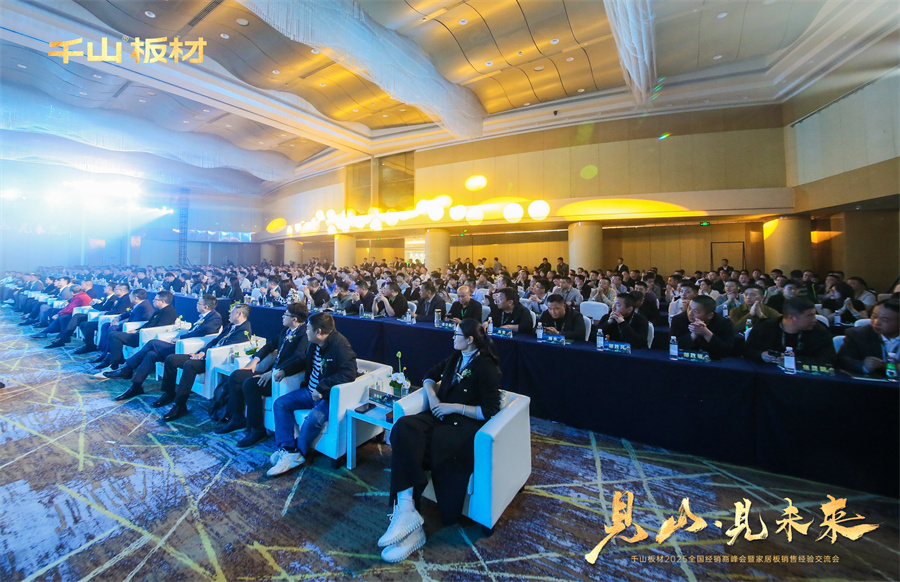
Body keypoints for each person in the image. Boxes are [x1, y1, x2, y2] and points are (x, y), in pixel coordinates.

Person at [378, 319, 501, 563]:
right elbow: (429, 376)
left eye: (457, 335)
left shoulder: (486, 367)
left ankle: (411, 525)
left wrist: (453, 406)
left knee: (422, 448)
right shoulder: (456, 357)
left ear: (470, 340)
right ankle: (406, 509)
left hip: (462, 424)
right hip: (439, 414)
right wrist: (433, 398)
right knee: (403, 428)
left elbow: (489, 411)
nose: (453, 338)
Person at [266, 312, 357, 476]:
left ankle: (298, 454)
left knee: (313, 419)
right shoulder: (314, 343)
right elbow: (304, 361)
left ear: (318, 331)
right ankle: (287, 449)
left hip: (327, 397)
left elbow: (349, 373)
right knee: (280, 404)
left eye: (308, 328)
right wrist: (285, 370)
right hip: (309, 391)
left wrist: (322, 388)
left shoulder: (340, 345)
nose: (305, 331)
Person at [218, 302, 309, 448]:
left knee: (250, 384)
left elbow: (298, 358)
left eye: (285, 314)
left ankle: (257, 429)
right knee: (236, 376)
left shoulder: (304, 334)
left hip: (283, 376)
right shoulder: (286, 331)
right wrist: (255, 360)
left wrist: (273, 372)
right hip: (271, 371)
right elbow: (269, 346)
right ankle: (237, 418)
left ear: (294, 319)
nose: (282, 316)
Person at [106, 294, 224, 399]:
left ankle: (128, 368)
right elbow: (195, 330)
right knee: (151, 354)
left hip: (189, 348)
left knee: (152, 343)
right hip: (182, 344)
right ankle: (136, 386)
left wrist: (181, 338)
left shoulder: (215, 317)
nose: (196, 305)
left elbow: (203, 331)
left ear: (206, 307)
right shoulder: (205, 316)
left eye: (199, 303)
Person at [156, 303, 253, 421]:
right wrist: (201, 352)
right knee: (171, 359)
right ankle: (169, 393)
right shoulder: (231, 325)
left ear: (239, 314)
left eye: (232, 312)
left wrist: (203, 356)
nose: (229, 314)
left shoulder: (244, 330)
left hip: (214, 359)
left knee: (189, 365)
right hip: (206, 354)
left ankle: (179, 405)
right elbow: (215, 341)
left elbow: (225, 348)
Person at [745, 297, 835, 365]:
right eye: (809, 316)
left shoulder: (819, 331)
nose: (815, 319)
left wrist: (796, 359)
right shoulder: (766, 327)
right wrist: (761, 355)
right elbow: (747, 350)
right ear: (791, 318)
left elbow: (828, 360)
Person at [836, 297, 899, 376]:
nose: (876, 322)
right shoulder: (858, 334)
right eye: (874, 316)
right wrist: (863, 365)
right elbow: (842, 360)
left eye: (885, 319)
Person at [670, 295, 735, 359]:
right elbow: (673, 347)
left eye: (696, 311)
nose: (690, 313)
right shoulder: (679, 319)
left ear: (710, 315)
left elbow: (726, 351)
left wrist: (706, 333)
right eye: (689, 308)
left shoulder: (724, 323)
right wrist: (693, 334)